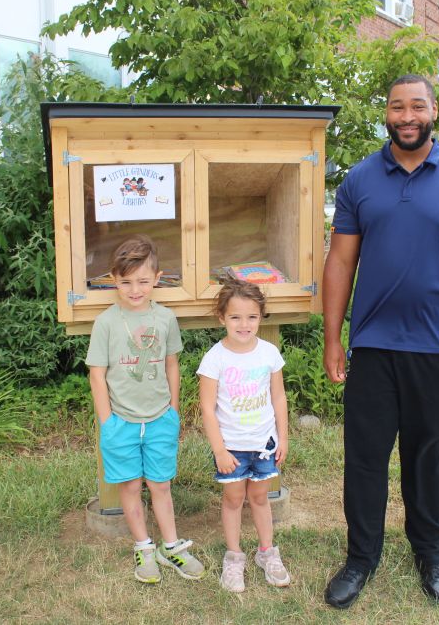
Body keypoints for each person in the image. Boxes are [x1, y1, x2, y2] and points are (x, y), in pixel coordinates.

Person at [321, 74, 439, 608]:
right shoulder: (359, 180)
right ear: (387, 113)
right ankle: (361, 557)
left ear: (433, 111)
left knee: (432, 456)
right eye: (397, 107)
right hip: (373, 346)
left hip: (437, 346)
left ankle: (431, 552)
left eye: (417, 106)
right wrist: (333, 338)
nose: (406, 116)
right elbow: (340, 263)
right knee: (366, 459)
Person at [86, 235, 205, 584]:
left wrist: (173, 409)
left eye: (142, 281)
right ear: (113, 280)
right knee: (129, 486)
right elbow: (97, 374)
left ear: (157, 278)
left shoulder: (165, 318)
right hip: (120, 422)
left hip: (159, 418)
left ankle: (171, 546)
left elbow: (171, 364)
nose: (135, 289)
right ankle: (143, 547)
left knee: (160, 485)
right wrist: (107, 422)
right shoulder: (106, 322)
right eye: (126, 282)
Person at [197, 278, 291, 593]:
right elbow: (207, 408)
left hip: (264, 444)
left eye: (251, 316)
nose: (244, 324)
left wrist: (283, 437)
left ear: (261, 317)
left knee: (260, 497)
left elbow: (279, 397)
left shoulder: (269, 353)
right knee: (234, 499)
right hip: (231, 447)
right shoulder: (215, 358)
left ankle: (267, 552)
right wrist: (219, 451)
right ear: (221, 317)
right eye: (235, 317)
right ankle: (234, 557)